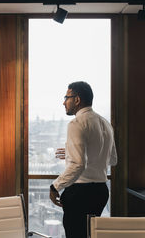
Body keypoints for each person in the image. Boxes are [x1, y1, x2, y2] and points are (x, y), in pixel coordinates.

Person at [49, 81, 117, 238]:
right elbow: (112, 159)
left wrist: (55, 187)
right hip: (100, 191)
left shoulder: (76, 123)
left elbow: (78, 164)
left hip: (80, 194)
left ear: (77, 99)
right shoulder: (105, 123)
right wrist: (72, 152)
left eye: (67, 97)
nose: (64, 102)